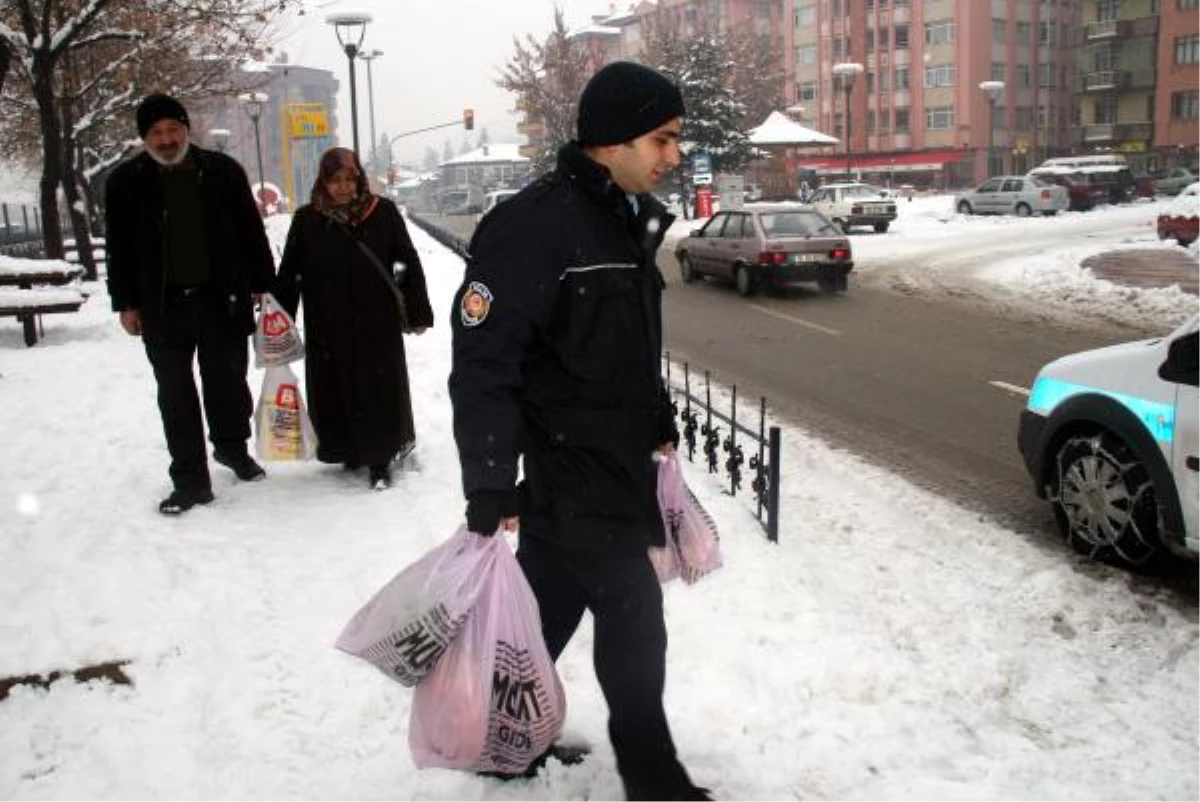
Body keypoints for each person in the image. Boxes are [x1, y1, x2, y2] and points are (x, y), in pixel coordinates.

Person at [449, 62, 713, 802]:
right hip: (571, 467)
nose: (673, 156)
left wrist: (655, 414)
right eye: (662, 139)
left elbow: (619, 341)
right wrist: (491, 476)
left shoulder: (620, 219)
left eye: (676, 141)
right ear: (611, 139)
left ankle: (503, 746)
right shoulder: (536, 226)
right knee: (635, 617)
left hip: (614, 459)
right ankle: (653, 777)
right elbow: (483, 358)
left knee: (548, 610)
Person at [106, 93, 275, 515]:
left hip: (222, 301)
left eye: (172, 129)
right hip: (162, 307)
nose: (166, 139)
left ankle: (232, 449)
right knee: (176, 396)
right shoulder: (125, 183)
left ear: (186, 129)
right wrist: (125, 302)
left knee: (227, 384)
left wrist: (262, 284)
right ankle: (190, 481)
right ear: (144, 138)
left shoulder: (222, 172)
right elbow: (119, 249)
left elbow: (250, 231)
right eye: (156, 133)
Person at [273, 147, 433, 490]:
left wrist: (417, 311)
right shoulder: (307, 220)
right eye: (335, 181)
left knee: (377, 387)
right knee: (337, 386)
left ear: (359, 180)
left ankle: (380, 458)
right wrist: (280, 319)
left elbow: (405, 262)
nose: (343, 188)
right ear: (323, 182)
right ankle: (346, 449)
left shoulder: (383, 213)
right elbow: (290, 274)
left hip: (377, 321)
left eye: (350, 179)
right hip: (328, 323)